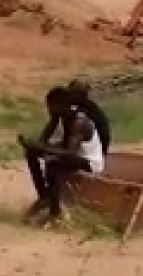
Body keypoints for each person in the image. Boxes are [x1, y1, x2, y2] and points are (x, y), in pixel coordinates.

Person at [19, 86, 104, 225]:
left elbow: (70, 153)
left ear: (61, 105)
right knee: (31, 153)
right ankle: (44, 197)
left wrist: (42, 147)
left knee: (53, 164)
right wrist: (34, 146)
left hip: (90, 162)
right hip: (74, 156)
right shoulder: (64, 116)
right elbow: (44, 140)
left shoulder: (79, 122)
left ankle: (55, 212)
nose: (49, 110)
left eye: (51, 107)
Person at [36, 79, 112, 155]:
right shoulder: (74, 107)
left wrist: (43, 146)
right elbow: (54, 123)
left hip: (95, 148)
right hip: (91, 144)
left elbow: (56, 124)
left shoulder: (77, 110)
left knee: (54, 152)